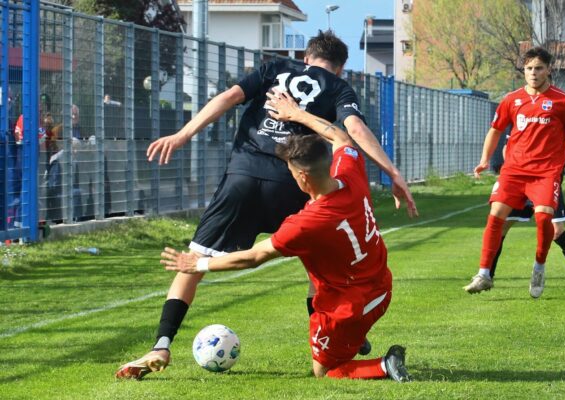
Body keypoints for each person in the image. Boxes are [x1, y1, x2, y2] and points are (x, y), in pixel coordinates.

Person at [115, 30, 417, 380]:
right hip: (292, 184)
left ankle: (161, 344)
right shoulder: (338, 88)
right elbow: (352, 131)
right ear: (341, 67)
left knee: (191, 265)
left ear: (306, 57)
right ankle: (334, 335)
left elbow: (229, 97)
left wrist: (184, 134)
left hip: (241, 180)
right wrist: (393, 172)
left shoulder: (274, 68)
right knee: (316, 261)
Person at [159, 91, 411, 381]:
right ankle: (352, 341)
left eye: (291, 171)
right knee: (335, 332)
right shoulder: (349, 171)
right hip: (381, 285)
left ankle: (384, 364)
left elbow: (253, 257)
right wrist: (298, 114)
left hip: (350, 304)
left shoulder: (307, 222)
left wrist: (198, 265)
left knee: (326, 372)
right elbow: (342, 138)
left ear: (302, 176)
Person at [463, 46, 565, 298]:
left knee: (544, 219)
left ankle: (539, 267)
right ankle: (484, 274)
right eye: (529, 68)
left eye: (538, 68)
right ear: (524, 70)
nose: (533, 73)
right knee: (495, 215)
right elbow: (496, 130)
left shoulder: (562, 100)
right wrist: (485, 159)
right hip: (514, 171)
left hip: (546, 172)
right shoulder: (512, 99)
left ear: (548, 70)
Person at [489, 142, 565, 292]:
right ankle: (487, 277)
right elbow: (508, 146)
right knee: (501, 227)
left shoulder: (562, 120)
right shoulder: (522, 119)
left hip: (548, 181)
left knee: (557, 231)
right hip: (521, 180)